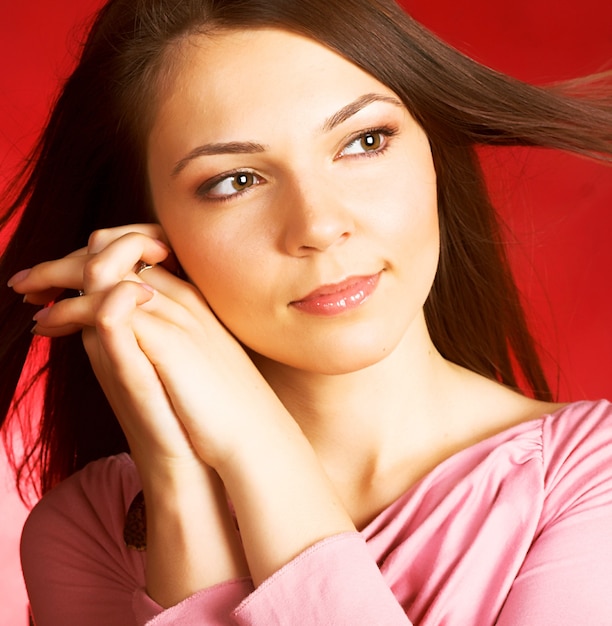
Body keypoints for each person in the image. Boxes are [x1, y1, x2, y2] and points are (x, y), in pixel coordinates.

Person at [1, 0, 611, 623]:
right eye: (234, 181)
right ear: (147, 232)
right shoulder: (97, 529)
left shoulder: (589, 481)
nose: (319, 225)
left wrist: (257, 443)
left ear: (432, 154)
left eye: (364, 141)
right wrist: (180, 485)